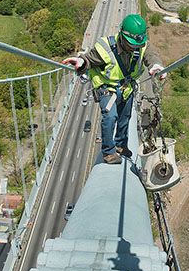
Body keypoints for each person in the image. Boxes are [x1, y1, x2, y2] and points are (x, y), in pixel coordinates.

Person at [63, 14, 166, 164]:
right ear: (122, 36)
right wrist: (81, 62)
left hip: (127, 88)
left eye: (137, 45)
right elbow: (89, 59)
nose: (134, 48)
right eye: (131, 44)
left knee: (125, 119)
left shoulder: (141, 44)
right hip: (107, 88)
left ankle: (121, 145)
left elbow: (151, 55)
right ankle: (108, 152)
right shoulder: (105, 48)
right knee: (110, 117)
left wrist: (156, 66)